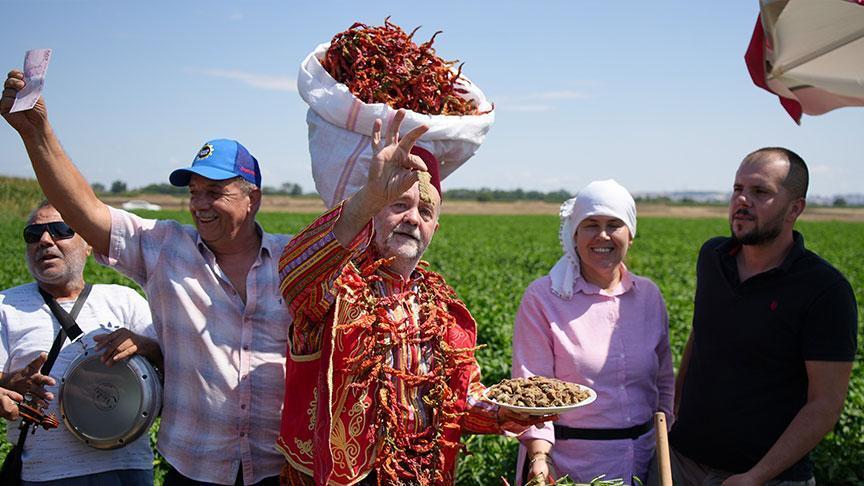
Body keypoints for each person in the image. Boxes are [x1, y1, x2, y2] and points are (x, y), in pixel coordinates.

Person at [2, 69, 292, 485]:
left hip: (277, 468)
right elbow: (84, 209)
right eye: (193, 192)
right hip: (193, 469)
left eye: (215, 192)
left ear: (253, 198)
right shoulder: (166, 249)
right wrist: (36, 134)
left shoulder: (292, 259)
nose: (199, 205)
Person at [276, 110, 551, 485]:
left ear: (436, 226)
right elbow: (294, 272)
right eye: (397, 205)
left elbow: (460, 400)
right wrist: (371, 194)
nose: (412, 219)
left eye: (425, 211)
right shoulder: (335, 285)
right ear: (375, 211)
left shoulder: (443, 309)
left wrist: (509, 410)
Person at [665, 148, 858, 486]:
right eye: (738, 189)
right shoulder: (712, 256)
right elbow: (700, 334)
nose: (742, 200)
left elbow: (825, 404)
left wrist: (755, 477)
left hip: (768, 478)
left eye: (760, 192)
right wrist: (675, 411)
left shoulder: (825, 289)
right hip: (683, 464)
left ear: (794, 208)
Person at [511, 180, 674, 485]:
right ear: (574, 233)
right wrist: (539, 459)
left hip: (643, 461)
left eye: (614, 224)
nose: (602, 235)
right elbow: (530, 389)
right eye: (590, 225)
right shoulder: (544, 299)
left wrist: (665, 436)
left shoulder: (649, 296)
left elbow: (664, 381)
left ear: (630, 234)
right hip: (570, 466)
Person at [0, 202, 158, 485]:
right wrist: (9, 383)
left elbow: (176, 367)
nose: (45, 241)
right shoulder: (5, 306)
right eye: (33, 235)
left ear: (88, 244)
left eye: (60, 231)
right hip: (46, 474)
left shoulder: (125, 300)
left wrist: (144, 346)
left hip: (127, 469)